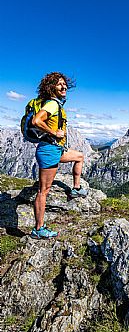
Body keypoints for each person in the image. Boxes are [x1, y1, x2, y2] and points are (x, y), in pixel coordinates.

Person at [30, 72, 88, 239]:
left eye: (65, 84)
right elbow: (36, 121)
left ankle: (76, 189)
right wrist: (54, 132)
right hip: (49, 150)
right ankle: (38, 229)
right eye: (59, 84)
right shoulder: (52, 105)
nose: (64, 87)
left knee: (79, 156)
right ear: (51, 88)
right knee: (43, 191)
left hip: (56, 150)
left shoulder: (56, 105)